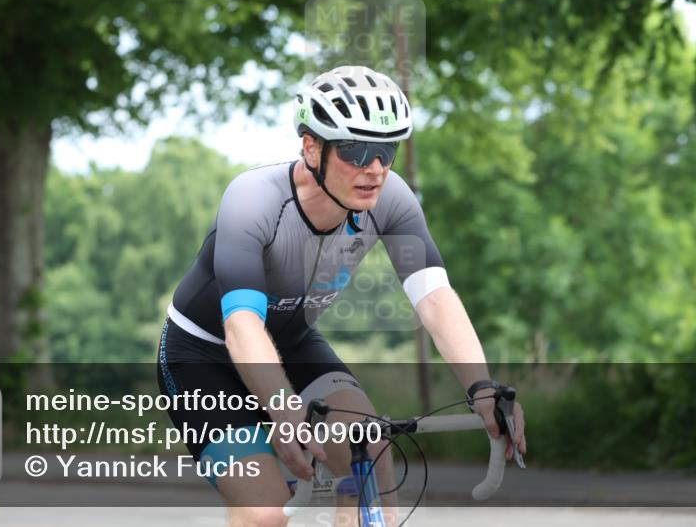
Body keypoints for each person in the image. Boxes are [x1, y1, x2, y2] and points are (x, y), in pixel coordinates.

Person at [156, 65, 527, 527]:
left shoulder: (392, 198)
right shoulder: (253, 200)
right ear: (313, 147)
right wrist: (284, 410)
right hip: (203, 358)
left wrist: (481, 386)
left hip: (292, 344)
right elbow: (242, 324)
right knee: (266, 512)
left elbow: (434, 297)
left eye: (387, 150)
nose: (375, 168)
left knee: (369, 450)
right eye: (356, 150)